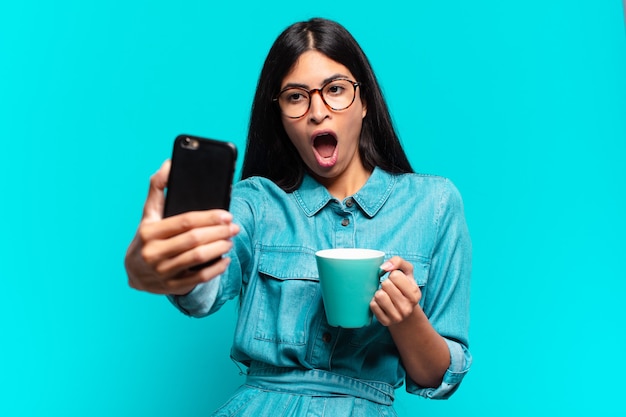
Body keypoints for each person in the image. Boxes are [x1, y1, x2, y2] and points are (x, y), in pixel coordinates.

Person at [125, 17, 472, 416]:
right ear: (281, 117)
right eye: (295, 97)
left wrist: (406, 316)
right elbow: (200, 293)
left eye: (336, 90)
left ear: (364, 102)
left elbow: (437, 376)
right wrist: (162, 264)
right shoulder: (255, 203)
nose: (317, 112)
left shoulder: (434, 205)